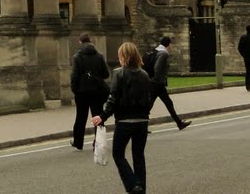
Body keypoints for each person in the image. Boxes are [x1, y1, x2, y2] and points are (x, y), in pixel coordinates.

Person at [93, 42, 151, 194]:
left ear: (124, 57)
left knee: (118, 154)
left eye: (120, 56)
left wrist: (102, 116)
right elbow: (148, 100)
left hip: (124, 121)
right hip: (142, 121)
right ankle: (141, 188)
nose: (119, 60)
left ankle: (133, 185)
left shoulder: (119, 73)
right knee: (139, 156)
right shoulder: (145, 75)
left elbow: (113, 98)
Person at [69, 32, 110, 150]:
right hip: (97, 91)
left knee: (81, 117)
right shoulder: (99, 56)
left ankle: (78, 142)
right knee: (98, 116)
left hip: (82, 92)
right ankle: (98, 142)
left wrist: (74, 89)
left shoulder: (77, 57)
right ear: (90, 41)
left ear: (80, 42)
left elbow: (74, 76)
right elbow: (106, 74)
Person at [149, 35, 191, 129]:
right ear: (168, 45)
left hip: (155, 83)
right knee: (166, 103)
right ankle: (179, 123)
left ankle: (179, 123)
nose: (172, 46)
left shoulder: (157, 51)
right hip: (157, 84)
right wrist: (158, 80)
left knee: (159, 104)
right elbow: (157, 68)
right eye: (171, 44)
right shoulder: (163, 54)